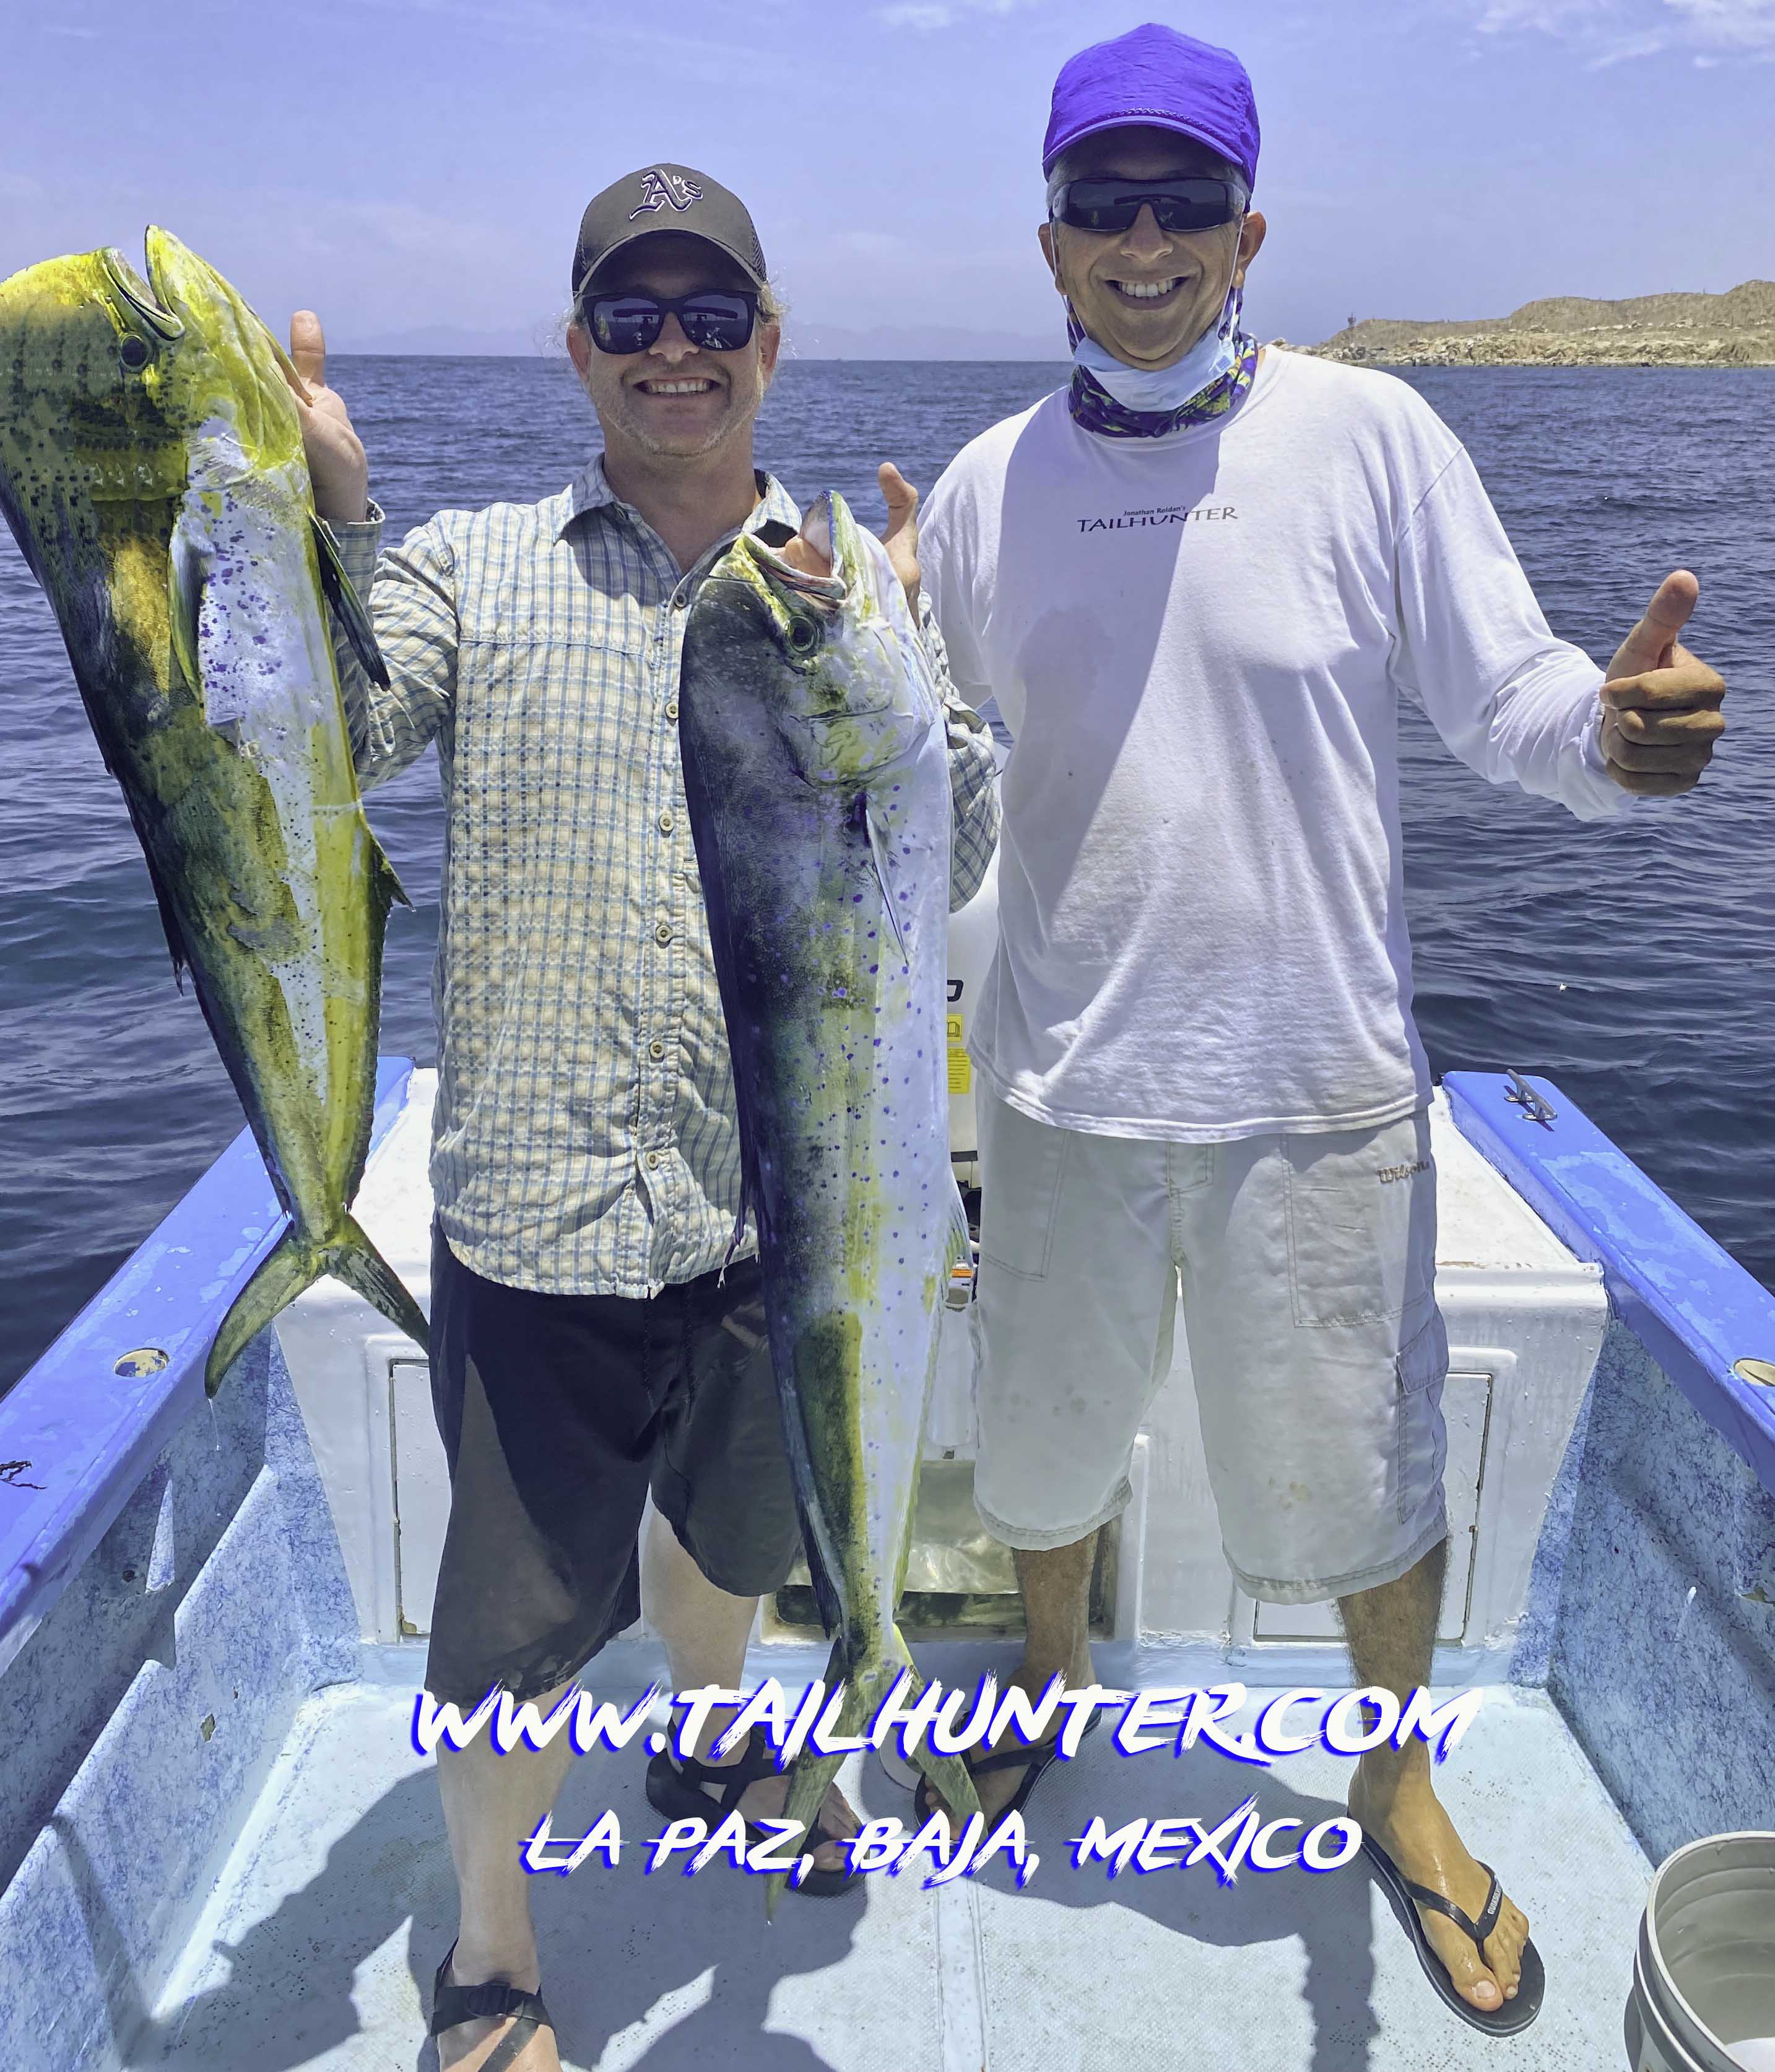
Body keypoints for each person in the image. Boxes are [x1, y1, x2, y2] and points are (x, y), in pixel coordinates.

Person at [913, 22, 1727, 2035]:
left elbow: (1509, 696)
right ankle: (1048, 1676)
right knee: (1037, 1449)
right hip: (1058, 1085)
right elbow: (923, 777)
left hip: (1319, 1089)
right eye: (1105, 202)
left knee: (1366, 1479)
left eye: (1183, 199)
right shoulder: (985, 488)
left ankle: (1395, 1774)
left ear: (1247, 230)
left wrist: (1613, 739)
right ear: (1047, 240)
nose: (1145, 240)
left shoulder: (1372, 437)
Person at [285, 165, 1000, 2072]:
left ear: (768, 342)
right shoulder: (474, 562)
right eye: (631, 315)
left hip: (785, 1217)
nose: (672, 350)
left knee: (737, 1535)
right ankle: (493, 1948)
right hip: (542, 1204)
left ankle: (713, 1738)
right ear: (575, 344)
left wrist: (921, 671)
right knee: (506, 1631)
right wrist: (328, 516)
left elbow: (958, 854)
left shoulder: (846, 582)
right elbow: (325, 742)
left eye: (709, 316)